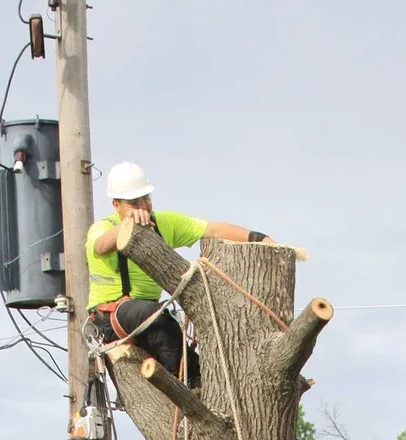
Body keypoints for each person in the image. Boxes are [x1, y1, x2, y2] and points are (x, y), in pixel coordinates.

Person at [86, 161, 274, 380]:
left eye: (146, 199)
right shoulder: (103, 228)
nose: (143, 207)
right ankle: (183, 382)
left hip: (146, 316)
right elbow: (100, 247)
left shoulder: (164, 223)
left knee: (166, 330)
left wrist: (259, 238)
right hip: (110, 317)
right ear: (116, 204)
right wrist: (126, 227)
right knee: (157, 320)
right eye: (133, 202)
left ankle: (193, 378)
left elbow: (212, 229)